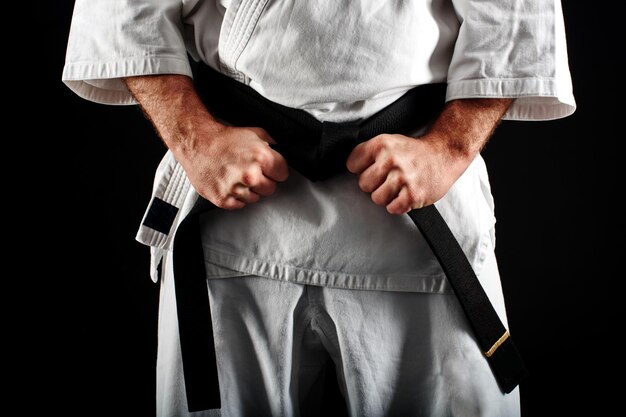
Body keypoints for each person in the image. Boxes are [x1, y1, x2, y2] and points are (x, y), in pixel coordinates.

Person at [62, 1, 575, 416]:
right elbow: (122, 9)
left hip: (416, 210)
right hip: (236, 212)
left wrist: (448, 149)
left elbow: (515, 15)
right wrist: (196, 142)